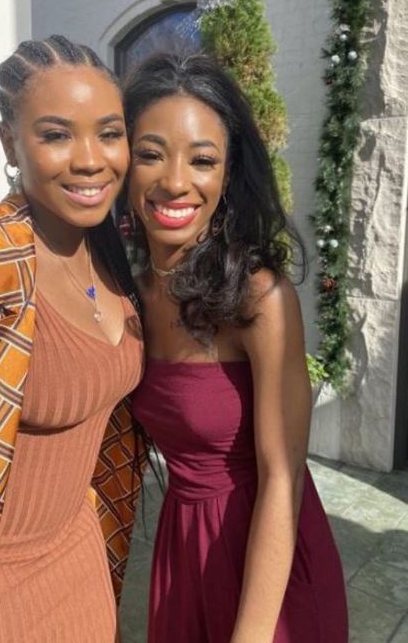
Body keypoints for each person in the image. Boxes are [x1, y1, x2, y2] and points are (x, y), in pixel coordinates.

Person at [124, 53, 348, 642]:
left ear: (227, 177)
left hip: (269, 563)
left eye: (202, 160)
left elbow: (283, 476)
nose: (176, 181)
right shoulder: (127, 294)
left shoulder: (257, 298)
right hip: (182, 549)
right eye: (151, 154)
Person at [0, 35, 147, 642]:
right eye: (57, 135)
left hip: (83, 562)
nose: (91, 160)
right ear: (8, 142)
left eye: (109, 133)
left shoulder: (109, 252)